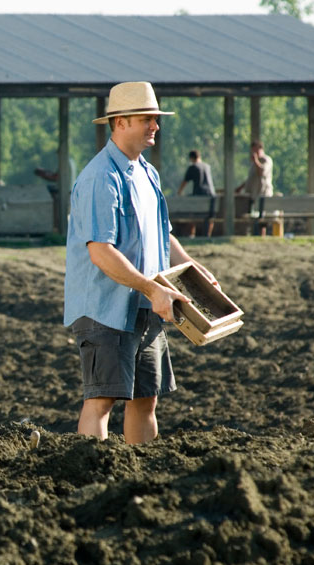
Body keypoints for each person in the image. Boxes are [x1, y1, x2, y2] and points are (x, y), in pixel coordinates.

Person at [65, 81, 218, 446]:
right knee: (102, 400)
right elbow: (100, 251)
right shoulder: (101, 177)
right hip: (105, 308)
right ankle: (92, 476)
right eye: (147, 118)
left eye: (155, 118)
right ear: (119, 122)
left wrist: (193, 270)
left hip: (147, 305)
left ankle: (140, 477)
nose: (155, 126)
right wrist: (153, 289)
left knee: (145, 398)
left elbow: (162, 235)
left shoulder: (147, 173)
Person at [235, 140, 274, 234]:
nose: (254, 154)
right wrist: (241, 187)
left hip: (262, 194)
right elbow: (250, 178)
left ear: (261, 149)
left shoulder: (266, 160)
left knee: (262, 219)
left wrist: (256, 160)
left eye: (255, 151)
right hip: (253, 195)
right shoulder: (254, 163)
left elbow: (262, 172)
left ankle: (262, 236)